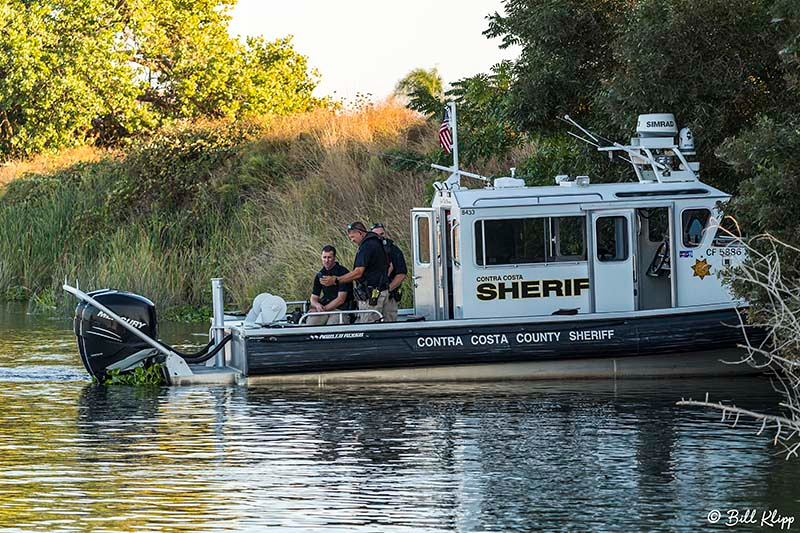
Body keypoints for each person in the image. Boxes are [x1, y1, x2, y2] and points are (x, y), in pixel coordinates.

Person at [321, 221, 389, 323]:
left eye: (353, 237)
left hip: (372, 296)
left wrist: (336, 280)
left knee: (368, 328)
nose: (352, 240)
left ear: (360, 233)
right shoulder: (378, 242)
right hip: (382, 291)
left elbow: (358, 272)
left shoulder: (366, 247)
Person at [371, 222, 407, 322]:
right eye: (376, 235)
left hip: (390, 296)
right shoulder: (368, 250)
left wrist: (387, 289)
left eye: (382, 234)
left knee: (390, 322)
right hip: (372, 297)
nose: (380, 237)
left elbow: (402, 274)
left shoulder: (394, 251)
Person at [308, 245, 352, 326]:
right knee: (311, 323)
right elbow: (313, 297)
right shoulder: (320, 274)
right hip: (324, 308)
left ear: (334, 258)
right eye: (324, 257)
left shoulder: (343, 273)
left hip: (340, 309)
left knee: (332, 325)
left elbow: (341, 299)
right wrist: (317, 305)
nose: (326, 260)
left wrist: (323, 309)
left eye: (329, 257)